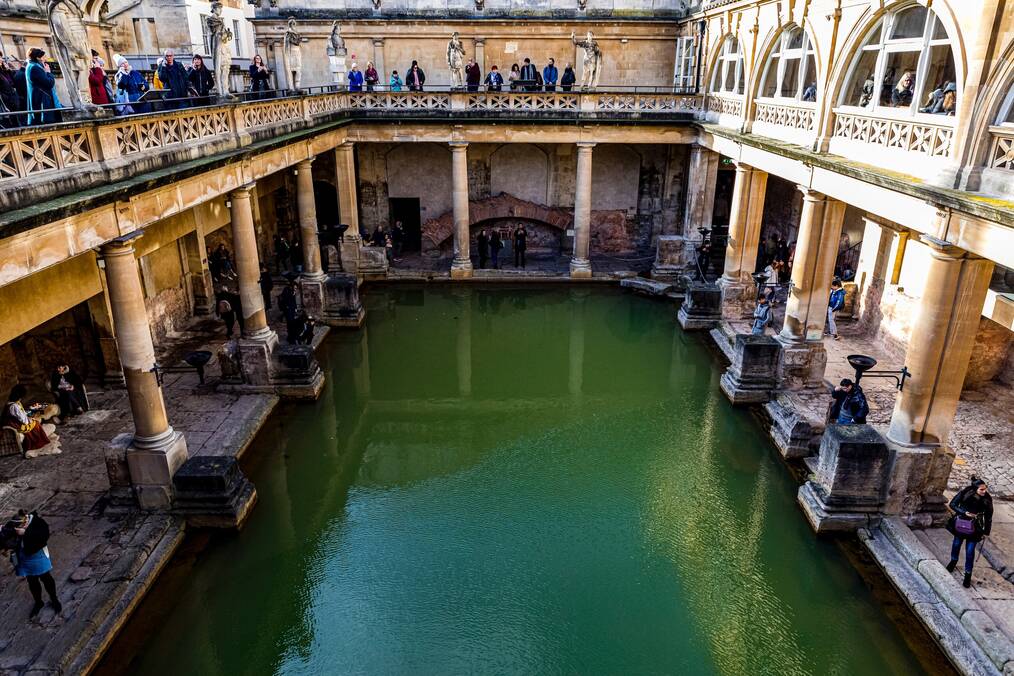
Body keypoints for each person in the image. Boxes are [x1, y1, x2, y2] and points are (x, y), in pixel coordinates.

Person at [7, 510, 61, 617]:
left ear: (26, 520)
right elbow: (7, 531)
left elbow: (43, 537)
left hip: (38, 556)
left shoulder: (39, 523)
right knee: (32, 581)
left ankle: (54, 599)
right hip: (24, 557)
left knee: (46, 578)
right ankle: (38, 602)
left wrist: (25, 533)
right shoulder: (15, 523)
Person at [946, 478, 993, 588]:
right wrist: (964, 512)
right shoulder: (965, 493)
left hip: (975, 528)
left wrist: (986, 531)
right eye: (981, 489)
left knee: (970, 551)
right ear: (975, 489)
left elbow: (989, 516)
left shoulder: (987, 499)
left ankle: (968, 574)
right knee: (956, 544)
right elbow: (952, 504)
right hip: (961, 524)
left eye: (985, 489)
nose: (984, 491)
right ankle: (953, 561)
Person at [2, 385, 58, 453]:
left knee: (36, 416)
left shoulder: (10, 403)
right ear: (20, 397)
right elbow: (25, 421)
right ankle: (38, 440)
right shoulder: (14, 406)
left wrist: (30, 412)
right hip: (19, 426)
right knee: (37, 423)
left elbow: (20, 416)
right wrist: (32, 419)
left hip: (17, 423)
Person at [24, 48, 61, 126]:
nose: (45, 59)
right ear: (38, 58)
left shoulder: (32, 66)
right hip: (43, 103)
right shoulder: (35, 67)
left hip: (41, 101)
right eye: (43, 57)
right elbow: (49, 83)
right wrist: (48, 72)